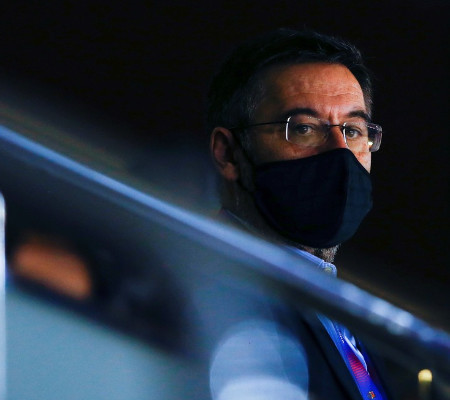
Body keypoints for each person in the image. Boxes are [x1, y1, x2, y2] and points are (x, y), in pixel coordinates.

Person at [207, 28, 389, 400]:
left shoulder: (360, 321)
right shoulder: (204, 292)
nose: (340, 152)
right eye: (304, 128)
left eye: (354, 130)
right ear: (228, 152)